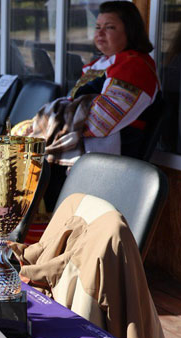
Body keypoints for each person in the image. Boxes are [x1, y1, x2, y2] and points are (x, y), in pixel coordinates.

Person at [24, 1, 160, 211]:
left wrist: (53, 123)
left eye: (110, 27)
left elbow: (97, 124)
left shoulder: (134, 67)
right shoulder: (105, 63)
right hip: (84, 151)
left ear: (130, 31)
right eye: (97, 27)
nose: (100, 33)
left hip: (108, 159)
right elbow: (75, 107)